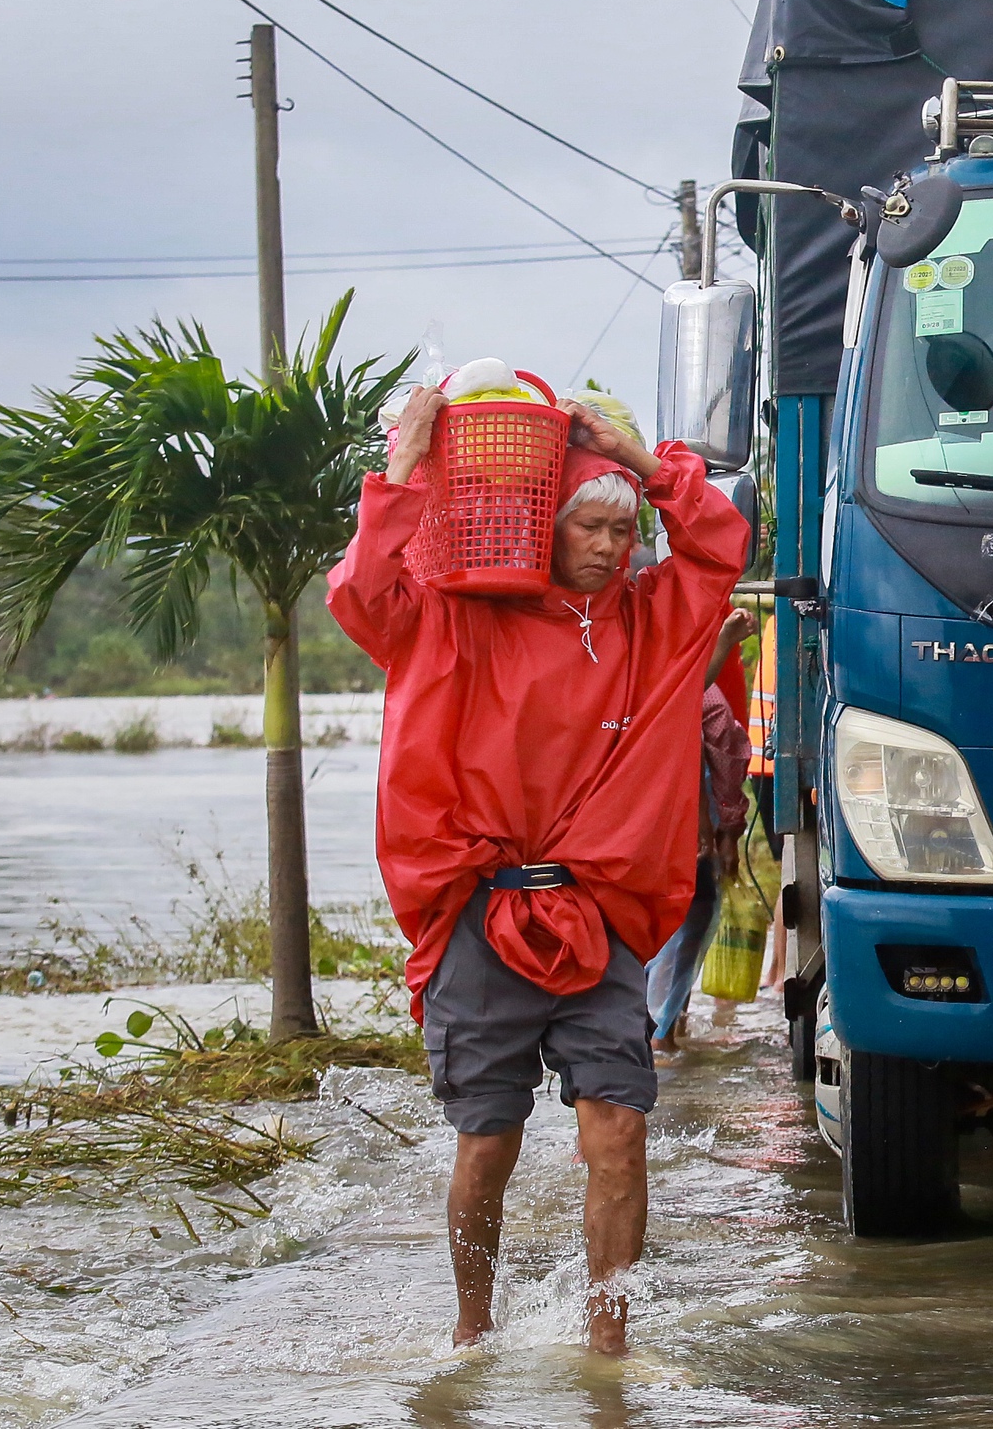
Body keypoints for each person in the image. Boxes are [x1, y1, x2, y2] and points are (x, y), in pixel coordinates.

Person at [327, 384, 747, 1354]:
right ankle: (472, 1333)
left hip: (597, 921)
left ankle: (610, 1350)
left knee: (620, 1128)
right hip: (482, 916)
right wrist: (404, 468)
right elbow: (358, 594)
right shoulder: (457, 617)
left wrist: (642, 461)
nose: (609, 544)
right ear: (541, 529)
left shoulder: (656, 621)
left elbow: (719, 544)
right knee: (487, 1142)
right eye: (590, 524)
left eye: (623, 527)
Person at [646, 610, 756, 1052]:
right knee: (688, 923)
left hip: (631, 833)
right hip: (685, 832)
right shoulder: (700, 693)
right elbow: (725, 756)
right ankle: (661, 1035)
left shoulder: (616, 677)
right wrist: (725, 831)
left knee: (643, 929)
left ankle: (657, 1031)